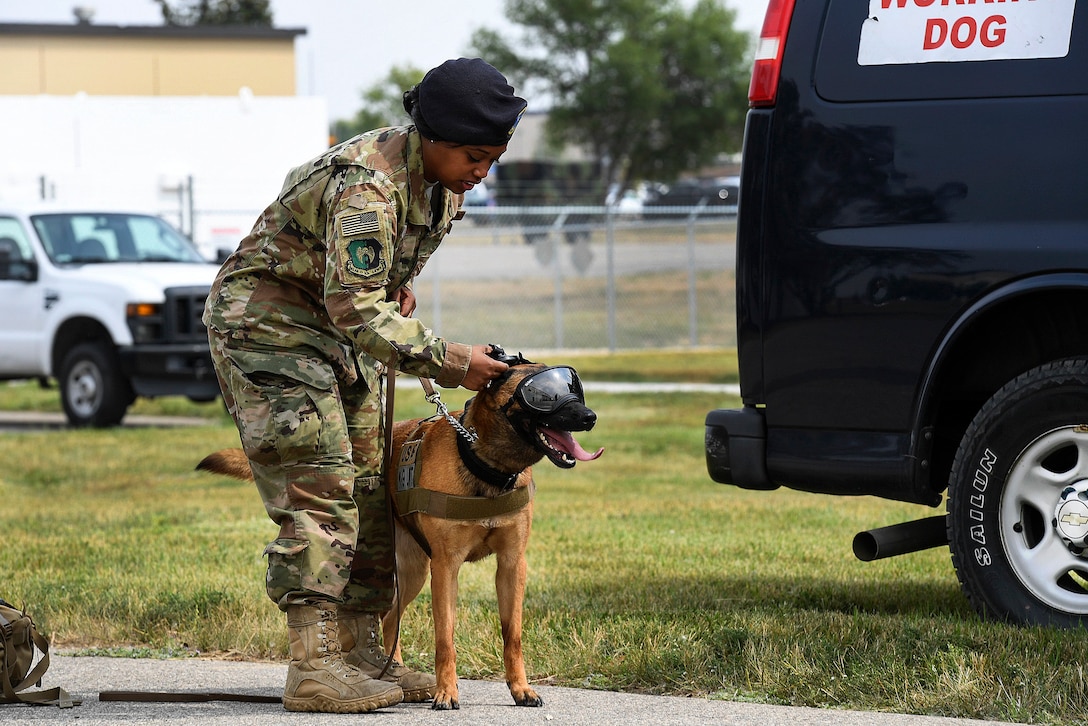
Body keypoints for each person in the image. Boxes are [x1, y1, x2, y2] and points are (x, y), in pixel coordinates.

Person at [203, 58, 526, 714]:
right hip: (269, 324)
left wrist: (394, 287)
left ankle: (361, 649)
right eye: (474, 155)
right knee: (320, 483)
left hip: (333, 332)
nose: (482, 171)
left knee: (374, 482)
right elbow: (353, 302)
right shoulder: (368, 185)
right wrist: (448, 360)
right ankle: (316, 665)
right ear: (431, 137)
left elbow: (369, 279)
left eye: (494, 158)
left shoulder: (443, 184)